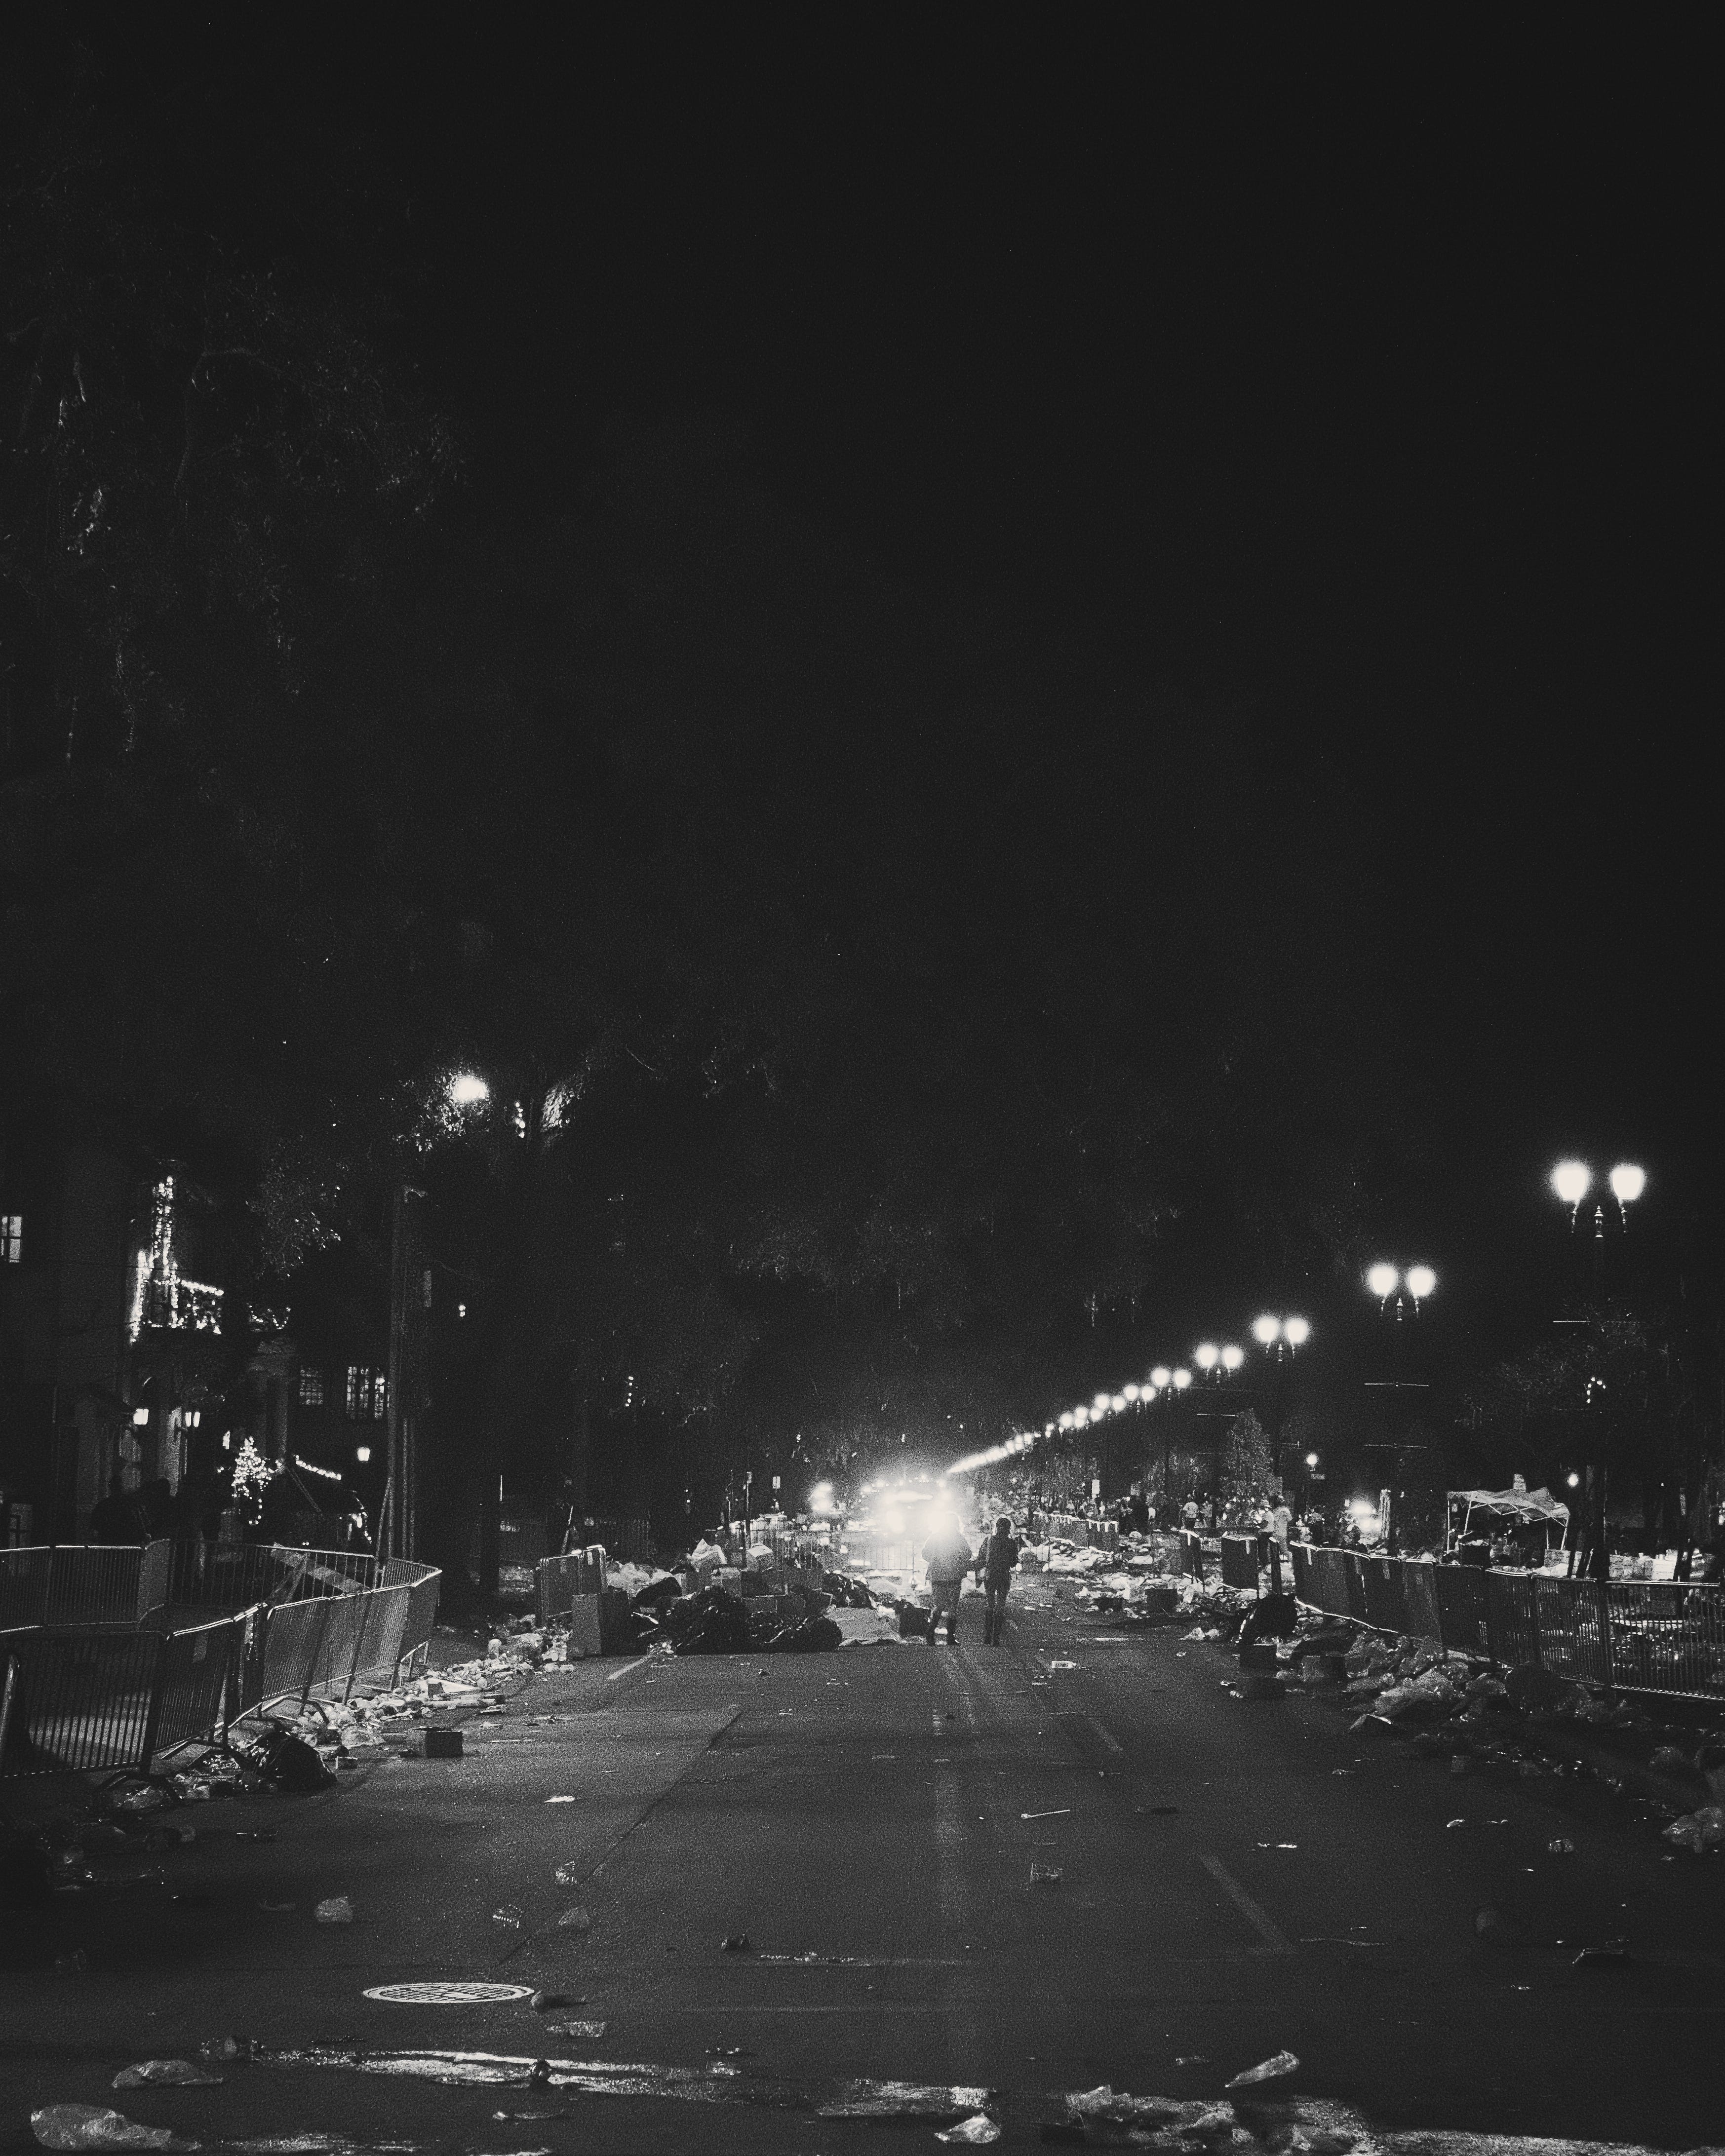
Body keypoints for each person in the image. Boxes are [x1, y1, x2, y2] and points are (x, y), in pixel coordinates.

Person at [921, 1519, 975, 1647]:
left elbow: (925, 1554)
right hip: (954, 1576)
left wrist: (936, 1560)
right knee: (952, 1607)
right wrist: (957, 1559)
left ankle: (930, 1633)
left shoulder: (935, 1537)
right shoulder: (959, 1539)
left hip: (938, 1576)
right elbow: (968, 1554)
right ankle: (950, 1636)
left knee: (938, 1606)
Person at [974, 1514, 1021, 1645]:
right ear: (1009, 1529)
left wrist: (978, 1575)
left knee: (990, 1604)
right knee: (1000, 1605)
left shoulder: (989, 1540)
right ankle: (997, 1637)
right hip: (1004, 1576)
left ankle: (987, 1636)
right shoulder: (1011, 1543)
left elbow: (981, 1558)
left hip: (990, 1576)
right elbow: (1013, 1563)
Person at [88, 1471, 146, 1544]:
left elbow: (94, 1527)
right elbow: (141, 1525)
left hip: (108, 1543)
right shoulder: (132, 1504)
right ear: (122, 1487)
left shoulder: (103, 1505)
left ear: (110, 1488)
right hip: (129, 1543)